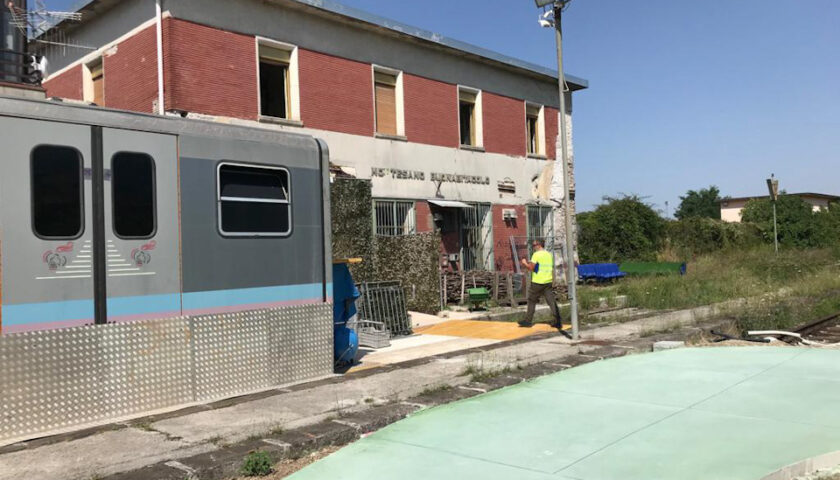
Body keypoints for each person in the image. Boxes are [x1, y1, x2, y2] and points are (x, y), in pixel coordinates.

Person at [519, 239, 567, 335]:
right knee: (551, 301)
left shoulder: (536, 255)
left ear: (539, 245)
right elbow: (543, 267)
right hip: (548, 282)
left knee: (532, 301)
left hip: (537, 282)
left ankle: (528, 321)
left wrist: (524, 263)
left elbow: (531, 268)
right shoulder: (548, 254)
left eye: (534, 245)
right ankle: (558, 321)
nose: (533, 247)